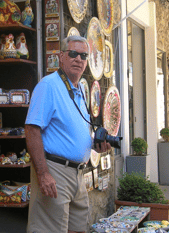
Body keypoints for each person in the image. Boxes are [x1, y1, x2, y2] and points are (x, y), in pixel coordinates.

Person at [24, 35, 111, 233]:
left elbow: (69, 131)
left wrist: (92, 144)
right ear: (61, 56)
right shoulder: (49, 86)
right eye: (73, 54)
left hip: (78, 173)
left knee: (78, 229)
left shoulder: (79, 88)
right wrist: (43, 174)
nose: (78, 59)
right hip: (55, 171)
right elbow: (31, 129)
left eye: (83, 55)